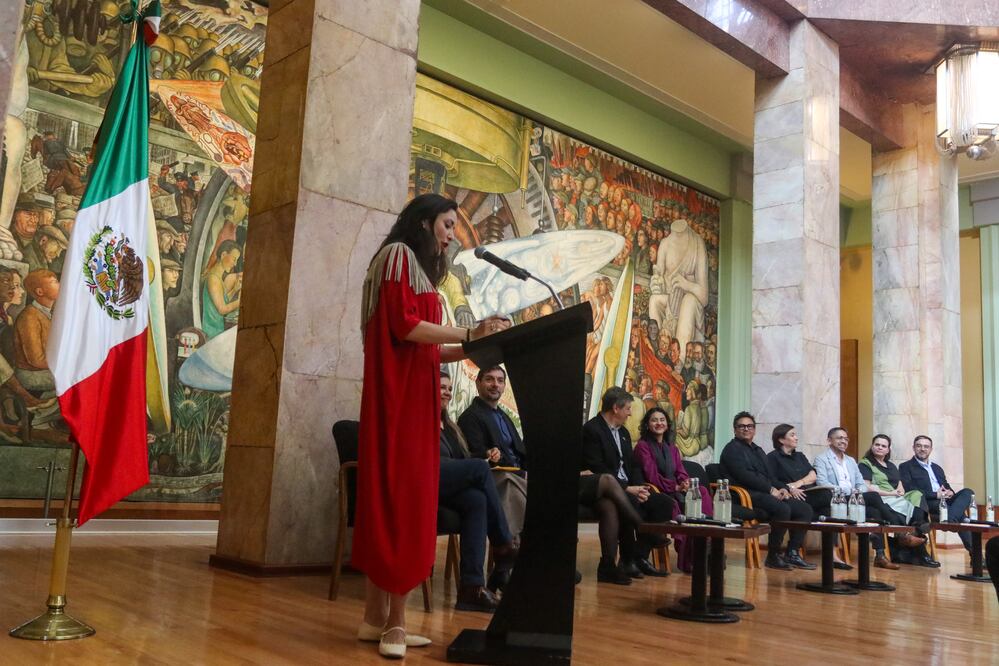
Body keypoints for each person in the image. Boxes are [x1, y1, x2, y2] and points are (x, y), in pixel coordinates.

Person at [353, 193, 509, 659]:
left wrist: (473, 344)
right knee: (405, 506)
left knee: (395, 502)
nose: (451, 235)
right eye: (446, 224)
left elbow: (423, 347)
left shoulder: (411, 269)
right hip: (401, 405)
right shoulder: (400, 257)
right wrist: (468, 332)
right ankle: (395, 628)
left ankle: (373, 618)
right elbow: (404, 326)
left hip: (409, 402)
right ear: (423, 223)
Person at [438, 370, 518, 611]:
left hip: (447, 482)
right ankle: (503, 543)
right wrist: (477, 463)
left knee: (476, 500)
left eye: (450, 388)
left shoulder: (449, 425)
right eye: (441, 386)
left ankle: (470, 589)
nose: (447, 392)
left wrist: (484, 455)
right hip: (424, 479)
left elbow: (463, 458)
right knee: (481, 471)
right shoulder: (417, 419)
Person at [582, 387, 674, 578]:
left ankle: (638, 558)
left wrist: (641, 487)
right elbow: (596, 466)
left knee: (664, 502)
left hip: (628, 486)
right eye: (628, 408)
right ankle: (630, 554)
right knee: (626, 501)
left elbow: (632, 466)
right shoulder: (592, 430)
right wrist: (627, 489)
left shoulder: (623, 432)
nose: (630, 413)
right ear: (616, 408)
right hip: (603, 488)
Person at [816, 428, 934, 568]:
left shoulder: (850, 461)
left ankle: (880, 556)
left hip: (857, 499)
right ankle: (901, 535)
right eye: (839, 438)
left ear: (888, 450)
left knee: (879, 512)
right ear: (829, 440)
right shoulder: (822, 459)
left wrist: (857, 491)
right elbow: (822, 483)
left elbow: (861, 484)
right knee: (874, 498)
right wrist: (852, 491)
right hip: (838, 499)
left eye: (846, 438)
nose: (843, 441)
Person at [719, 412, 815, 570]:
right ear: (735, 430)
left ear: (754, 429)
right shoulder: (731, 449)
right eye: (741, 426)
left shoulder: (758, 450)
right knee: (783, 508)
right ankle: (773, 555)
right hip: (745, 494)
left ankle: (792, 552)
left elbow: (770, 476)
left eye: (749, 426)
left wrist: (783, 488)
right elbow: (745, 476)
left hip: (763, 492)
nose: (746, 429)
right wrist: (771, 489)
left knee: (804, 509)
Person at [633, 407, 712, 572]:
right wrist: (674, 486)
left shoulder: (672, 448)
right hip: (655, 491)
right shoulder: (643, 446)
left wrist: (685, 483)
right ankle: (687, 559)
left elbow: (680, 471)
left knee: (702, 491)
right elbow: (651, 476)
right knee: (675, 504)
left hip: (675, 490)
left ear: (667, 425)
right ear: (647, 425)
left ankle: (705, 541)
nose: (659, 423)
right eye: (654, 420)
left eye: (662, 420)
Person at [456, 365, 528, 537]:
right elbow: (472, 454)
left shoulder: (504, 417)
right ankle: (511, 545)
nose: (495, 384)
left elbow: (520, 452)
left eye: (500, 380)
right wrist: (490, 454)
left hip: (517, 473)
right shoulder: (469, 417)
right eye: (489, 379)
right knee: (510, 482)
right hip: (493, 476)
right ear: (478, 383)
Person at [900, 435, 976, 555]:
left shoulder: (937, 468)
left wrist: (950, 492)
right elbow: (910, 490)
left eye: (926, 446)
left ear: (931, 449)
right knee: (961, 517)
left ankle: (950, 518)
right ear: (913, 448)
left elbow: (945, 485)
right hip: (928, 502)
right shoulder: (906, 467)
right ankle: (976, 555)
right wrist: (936, 495)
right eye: (919, 446)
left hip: (945, 501)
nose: (922, 449)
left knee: (968, 492)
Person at [200, 240, 242, 339]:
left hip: (217, 329)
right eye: (234, 259)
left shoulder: (218, 277)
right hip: (211, 332)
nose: (235, 264)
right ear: (223, 255)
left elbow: (220, 300)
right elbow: (222, 309)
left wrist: (234, 290)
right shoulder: (213, 278)